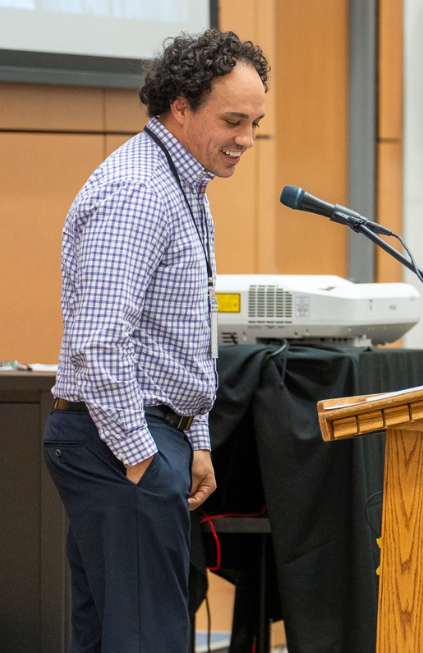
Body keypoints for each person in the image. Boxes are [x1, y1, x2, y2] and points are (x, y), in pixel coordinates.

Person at [44, 29, 269, 651]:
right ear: (179, 106)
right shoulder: (139, 192)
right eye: (232, 120)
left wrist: (192, 439)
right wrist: (141, 457)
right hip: (119, 442)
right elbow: (98, 341)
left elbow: (177, 339)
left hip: (139, 437)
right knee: (149, 641)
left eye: (254, 122)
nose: (246, 139)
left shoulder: (182, 187)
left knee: (112, 639)